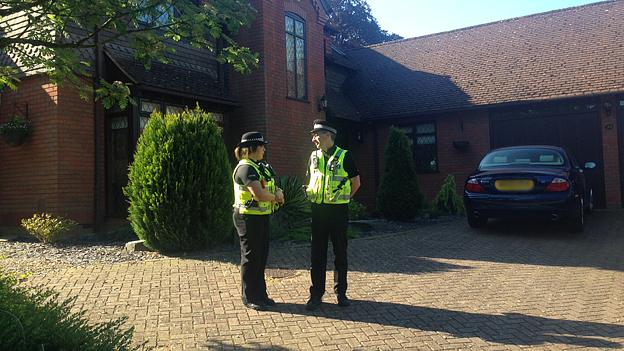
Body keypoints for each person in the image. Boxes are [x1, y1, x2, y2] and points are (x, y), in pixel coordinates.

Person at [305, 119, 361, 311]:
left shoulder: (345, 156)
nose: (314, 139)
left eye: (316, 135)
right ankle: (316, 294)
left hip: (338, 211)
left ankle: (341, 293)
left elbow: (356, 183)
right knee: (317, 255)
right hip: (318, 211)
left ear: (327, 135)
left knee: (340, 253)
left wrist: (344, 198)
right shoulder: (313, 156)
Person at [232, 131, 285, 311]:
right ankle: (249, 296)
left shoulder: (260, 166)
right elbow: (259, 194)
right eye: (261, 146)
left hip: (260, 216)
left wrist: (278, 192)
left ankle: (261, 295)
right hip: (247, 218)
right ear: (251, 147)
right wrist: (276, 197)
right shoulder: (245, 168)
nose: (264, 149)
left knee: (261, 257)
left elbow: (271, 186)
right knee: (250, 257)